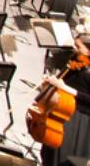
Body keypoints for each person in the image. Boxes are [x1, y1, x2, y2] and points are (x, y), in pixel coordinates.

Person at [41, 34, 90, 166]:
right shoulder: (75, 61)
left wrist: (65, 88)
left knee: (63, 153)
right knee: (50, 150)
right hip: (62, 110)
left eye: (78, 46)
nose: (74, 48)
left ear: (88, 52)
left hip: (79, 118)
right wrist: (51, 82)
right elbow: (62, 80)